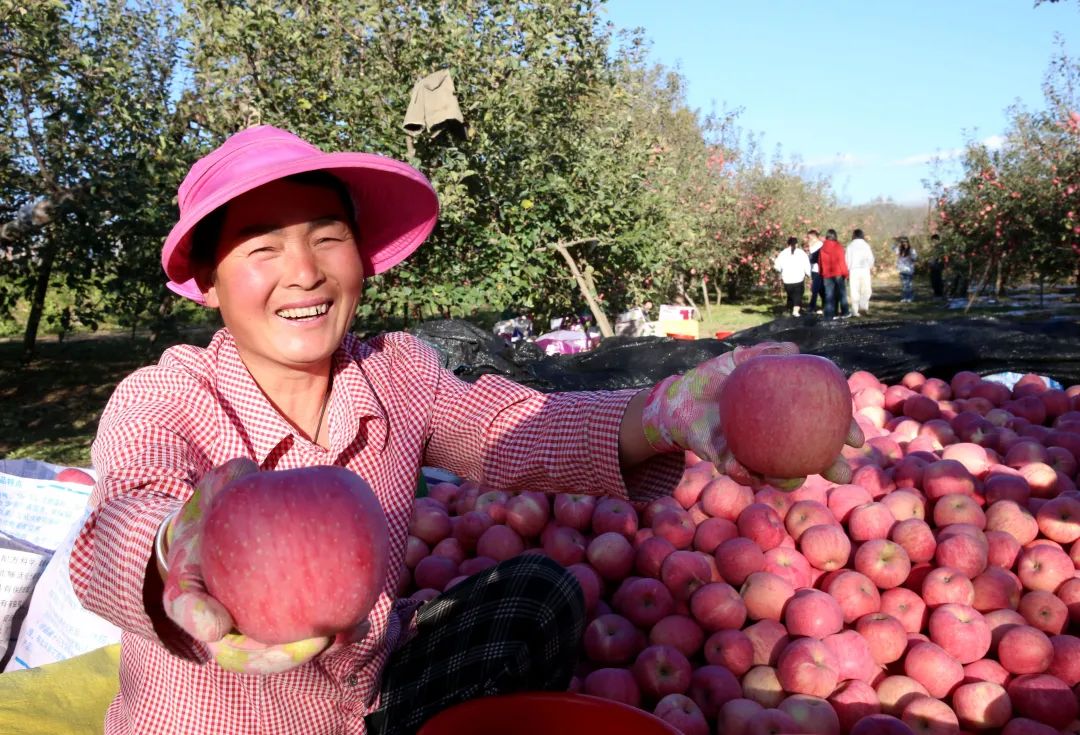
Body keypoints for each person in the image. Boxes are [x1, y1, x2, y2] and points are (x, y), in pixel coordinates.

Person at [68, 126, 860, 735]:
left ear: (365, 257)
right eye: (262, 247)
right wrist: (176, 548)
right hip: (219, 723)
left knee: (539, 594)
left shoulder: (396, 371)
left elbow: (510, 429)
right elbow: (120, 512)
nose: (303, 270)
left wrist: (661, 413)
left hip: (366, 699)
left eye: (326, 235)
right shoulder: (167, 395)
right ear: (208, 281)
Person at [773, 236, 811, 316]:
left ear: (788, 244)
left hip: (787, 279)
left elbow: (777, 266)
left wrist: (781, 271)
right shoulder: (801, 253)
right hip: (798, 278)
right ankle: (795, 311)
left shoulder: (783, 253)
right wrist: (808, 274)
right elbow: (806, 265)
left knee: (791, 294)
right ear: (796, 244)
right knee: (798, 295)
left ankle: (790, 309)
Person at [818, 228, 850, 319]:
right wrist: (846, 274)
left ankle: (829, 314)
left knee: (829, 295)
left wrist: (821, 273)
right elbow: (842, 262)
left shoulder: (822, 248)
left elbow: (820, 262)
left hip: (827, 275)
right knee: (842, 293)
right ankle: (845, 312)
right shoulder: (838, 246)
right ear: (835, 236)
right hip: (838, 273)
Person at [845, 228, 875, 317]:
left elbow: (847, 260)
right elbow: (871, 258)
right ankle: (864, 307)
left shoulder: (850, 246)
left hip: (853, 270)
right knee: (866, 290)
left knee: (854, 290)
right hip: (864, 270)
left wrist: (848, 269)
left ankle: (855, 310)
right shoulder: (866, 245)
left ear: (854, 235)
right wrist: (869, 266)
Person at [805, 229, 825, 314]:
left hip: (818, 270)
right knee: (820, 289)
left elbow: (813, 257)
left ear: (813, 236)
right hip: (814, 269)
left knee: (816, 289)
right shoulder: (813, 245)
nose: (808, 239)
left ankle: (811, 307)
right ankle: (824, 306)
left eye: (809, 237)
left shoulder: (820, 245)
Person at [894, 235, 917, 303]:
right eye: (902, 242)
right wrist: (897, 241)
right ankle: (904, 297)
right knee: (904, 284)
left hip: (909, 270)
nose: (904, 243)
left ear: (908, 242)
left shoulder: (912, 250)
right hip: (902, 269)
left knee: (909, 284)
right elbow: (893, 248)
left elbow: (914, 259)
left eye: (905, 242)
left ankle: (910, 297)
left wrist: (911, 256)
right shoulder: (899, 250)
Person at [928, 233, 945, 298]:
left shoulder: (941, 248)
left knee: (938, 280)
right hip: (932, 266)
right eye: (933, 240)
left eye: (935, 240)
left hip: (938, 267)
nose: (934, 242)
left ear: (938, 240)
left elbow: (942, 257)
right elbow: (930, 257)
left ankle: (940, 293)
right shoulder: (932, 248)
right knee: (933, 280)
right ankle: (936, 293)